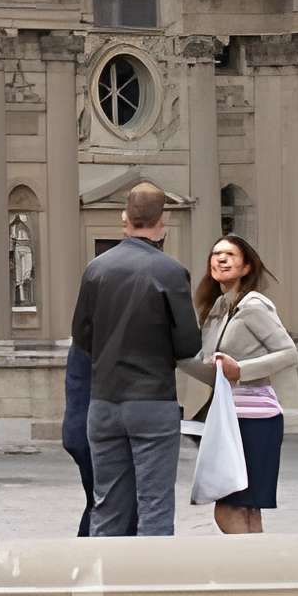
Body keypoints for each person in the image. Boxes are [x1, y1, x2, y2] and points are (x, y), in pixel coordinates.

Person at [69, 182, 200, 537]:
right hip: (152, 400)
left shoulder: (96, 269)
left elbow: (81, 335)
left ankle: (105, 586)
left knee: (108, 504)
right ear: (164, 221)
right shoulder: (171, 272)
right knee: (154, 506)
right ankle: (149, 588)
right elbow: (188, 344)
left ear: (124, 219)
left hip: (104, 402)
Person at [184, 234, 298, 536]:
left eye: (230, 255)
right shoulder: (217, 309)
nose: (220, 259)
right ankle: (258, 574)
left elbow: (289, 353)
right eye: (216, 253)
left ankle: (249, 572)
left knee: (230, 507)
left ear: (246, 267)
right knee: (245, 507)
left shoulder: (254, 305)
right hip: (228, 417)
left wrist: (241, 370)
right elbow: (213, 369)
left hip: (256, 418)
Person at [61, 308, 96, 536]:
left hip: (82, 434)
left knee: (97, 505)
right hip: (94, 436)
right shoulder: (98, 335)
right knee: (104, 507)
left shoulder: (85, 333)